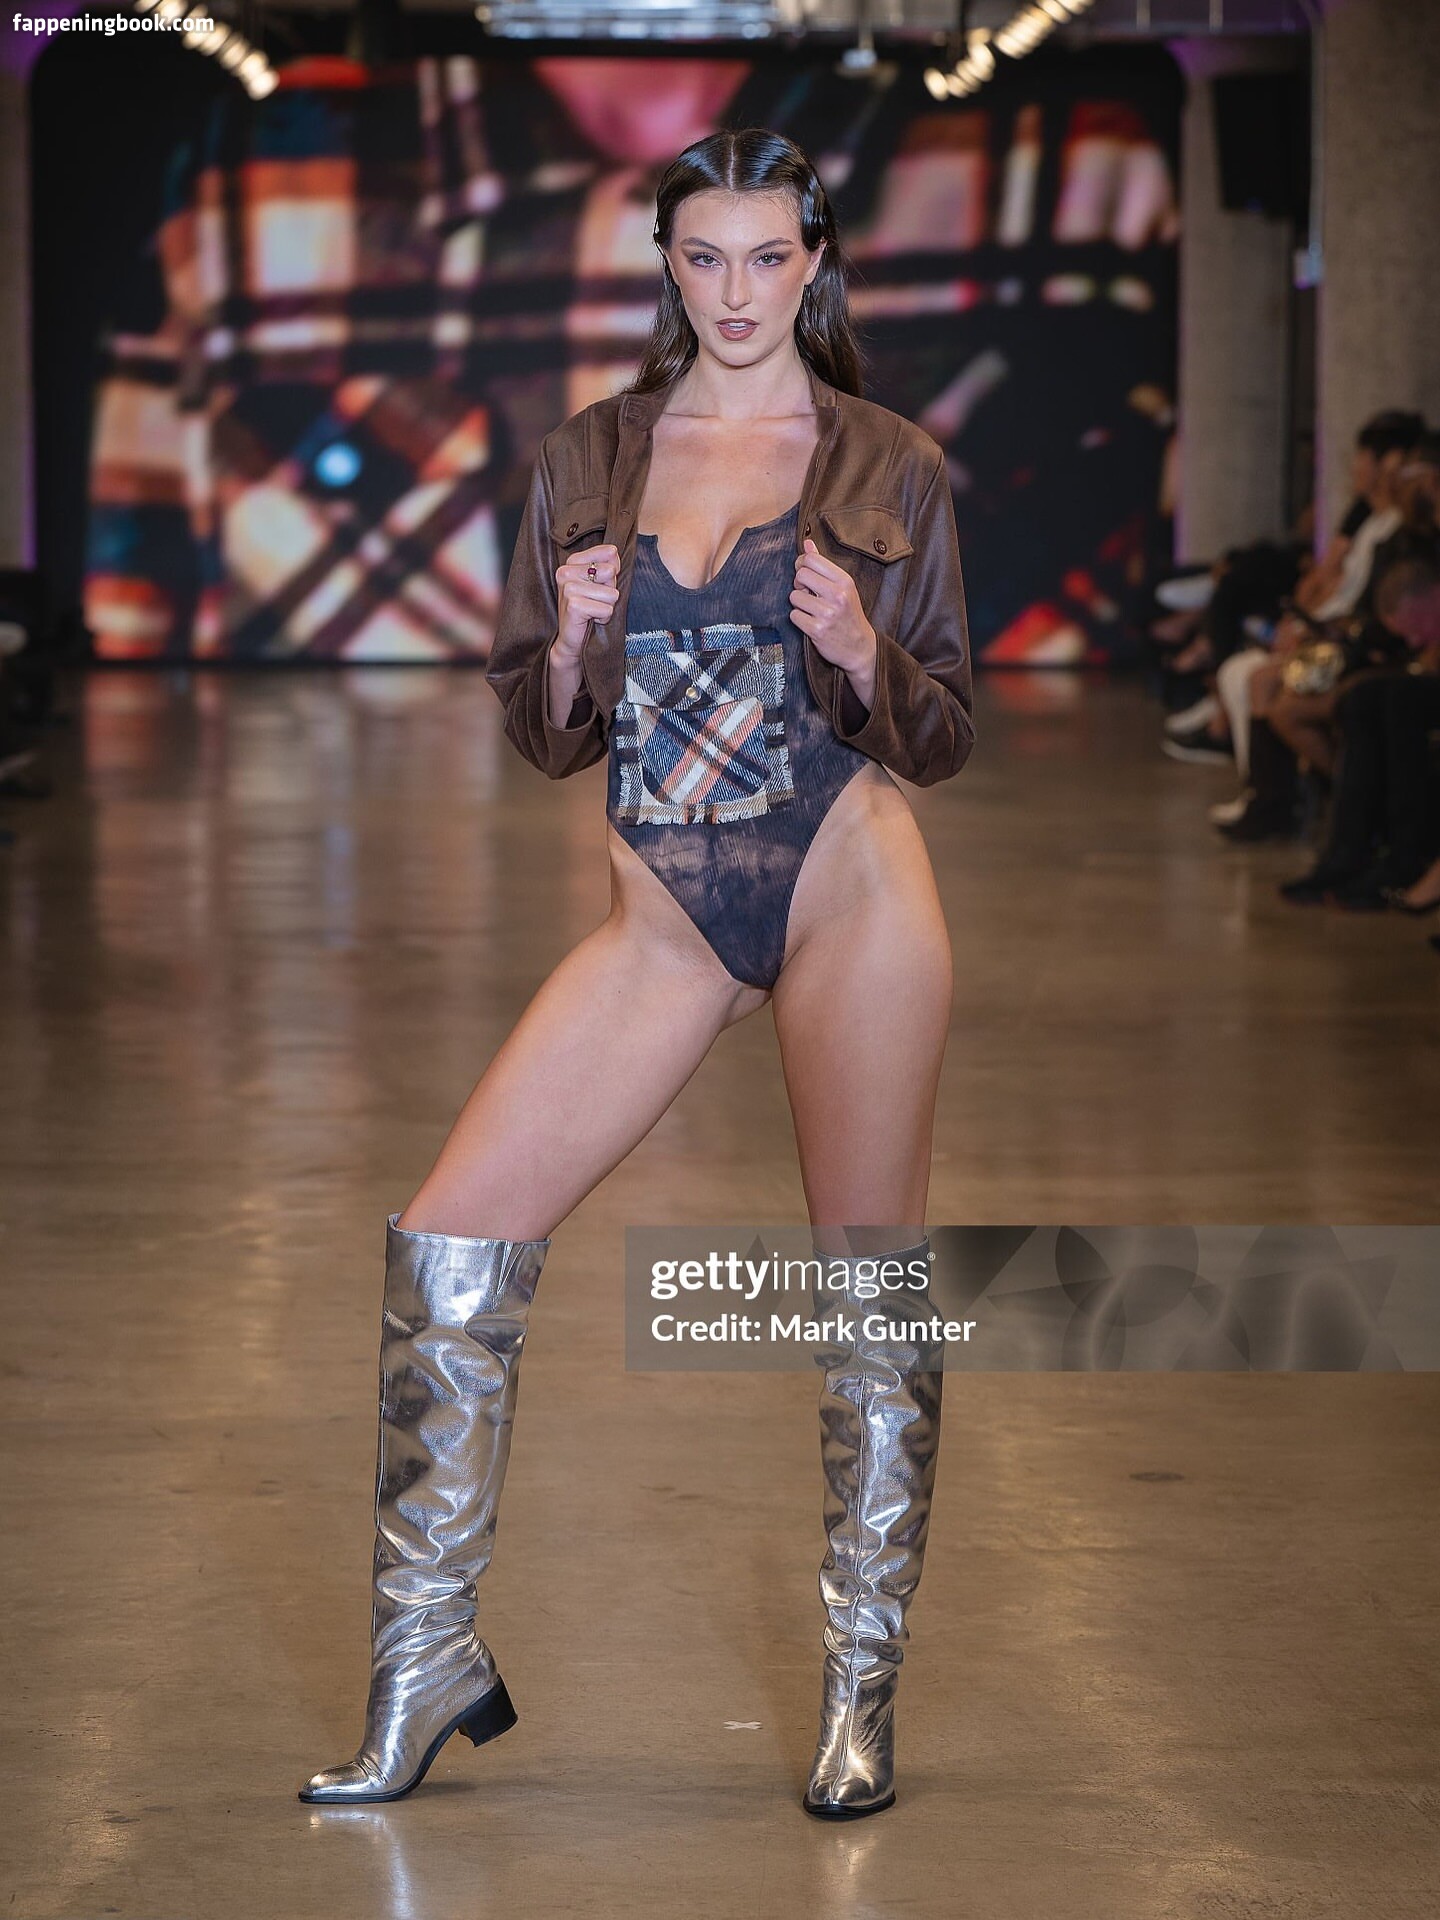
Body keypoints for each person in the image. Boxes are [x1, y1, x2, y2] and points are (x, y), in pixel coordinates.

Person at [298, 128, 976, 1821]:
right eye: (704, 257)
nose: (738, 292)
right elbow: (542, 728)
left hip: (849, 894)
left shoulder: (891, 461)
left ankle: (860, 1694)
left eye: (769, 257)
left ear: (815, 261)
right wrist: (578, 638)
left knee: (866, 1290)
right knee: (451, 1240)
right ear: (667, 264)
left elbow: (945, 729)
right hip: (664, 908)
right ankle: (424, 1660)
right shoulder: (588, 456)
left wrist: (859, 647)